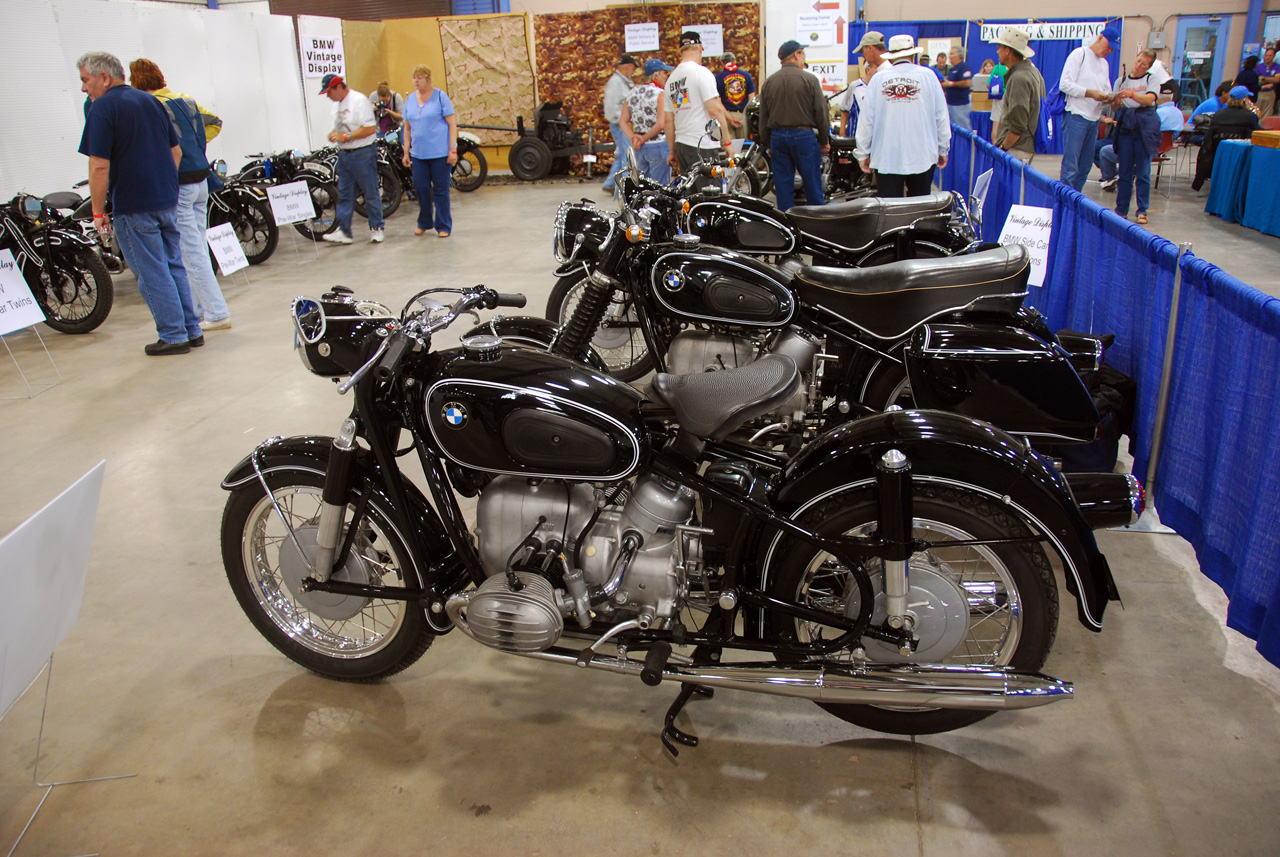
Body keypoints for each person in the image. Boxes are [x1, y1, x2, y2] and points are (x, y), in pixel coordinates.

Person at [77, 52, 202, 356]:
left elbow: (99, 165)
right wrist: (163, 185)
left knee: (151, 271)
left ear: (104, 77)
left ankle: (173, 335)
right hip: (165, 198)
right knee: (173, 264)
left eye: (85, 80)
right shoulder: (151, 101)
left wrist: (96, 210)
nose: (83, 88)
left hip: (134, 203)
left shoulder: (102, 108)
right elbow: (176, 152)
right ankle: (191, 329)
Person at [129, 58, 231, 333]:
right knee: (195, 247)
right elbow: (215, 122)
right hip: (200, 179)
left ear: (135, 81)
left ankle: (216, 312)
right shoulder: (185, 99)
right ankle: (199, 310)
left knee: (189, 252)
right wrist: (195, 145)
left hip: (179, 184)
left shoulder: (150, 105)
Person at [855, 34, 950, 198]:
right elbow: (941, 117)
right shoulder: (929, 77)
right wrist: (943, 149)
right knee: (920, 208)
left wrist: (863, 153)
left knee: (890, 211)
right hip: (922, 155)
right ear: (913, 54)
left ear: (891, 56)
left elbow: (867, 120)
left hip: (887, 156)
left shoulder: (878, 79)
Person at [758, 39, 830, 210]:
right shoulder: (810, 79)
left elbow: (763, 118)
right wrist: (824, 139)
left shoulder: (769, 82)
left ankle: (786, 226)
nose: (804, 57)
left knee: (783, 188)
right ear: (796, 55)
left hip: (778, 138)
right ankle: (817, 224)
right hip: (803, 137)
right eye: (803, 54)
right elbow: (821, 111)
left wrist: (768, 143)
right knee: (813, 184)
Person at [319, 74, 384, 244]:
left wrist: (345, 136)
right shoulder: (336, 106)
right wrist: (334, 135)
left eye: (329, 92)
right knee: (345, 194)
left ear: (338, 87)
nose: (328, 96)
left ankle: (376, 228)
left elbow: (369, 129)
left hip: (363, 153)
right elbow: (339, 128)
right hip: (345, 154)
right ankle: (344, 231)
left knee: (370, 192)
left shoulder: (359, 101)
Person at [663, 31, 734, 181]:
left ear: (680, 51)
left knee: (692, 195)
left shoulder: (671, 80)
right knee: (710, 197)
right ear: (701, 47)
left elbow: (668, 121)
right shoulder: (701, 73)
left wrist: (672, 151)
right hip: (702, 145)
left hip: (682, 145)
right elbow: (715, 110)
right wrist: (727, 142)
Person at [1059, 27, 1121, 192]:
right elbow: (1064, 84)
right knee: (1071, 166)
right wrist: (1090, 93)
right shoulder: (1080, 54)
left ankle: (1075, 198)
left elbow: (1105, 89)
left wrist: (1112, 98)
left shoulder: (1104, 64)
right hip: (1076, 117)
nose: (1109, 50)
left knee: (1085, 166)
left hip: (1093, 120)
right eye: (1108, 45)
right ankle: (1065, 202)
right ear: (1100, 38)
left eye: (1112, 49)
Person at [401, 64, 457, 238]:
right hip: (419, 154)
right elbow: (407, 128)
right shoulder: (410, 100)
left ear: (428, 78)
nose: (416, 81)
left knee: (440, 190)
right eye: (414, 78)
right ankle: (424, 222)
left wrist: (452, 150)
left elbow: (452, 124)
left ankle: (443, 225)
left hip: (440, 153)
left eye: (420, 77)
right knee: (421, 187)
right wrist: (406, 152)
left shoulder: (440, 97)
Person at [1110, 49, 1162, 225]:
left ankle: (1142, 209)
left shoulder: (1151, 80)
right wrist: (1116, 101)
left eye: (1144, 64)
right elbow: (1115, 108)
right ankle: (1121, 208)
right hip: (1126, 125)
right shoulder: (1121, 81)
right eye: (1138, 61)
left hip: (1145, 125)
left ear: (1149, 67)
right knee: (1124, 169)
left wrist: (1132, 94)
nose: (1139, 65)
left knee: (1143, 171)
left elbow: (1150, 100)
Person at [1191, 86, 1261, 193]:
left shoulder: (1218, 115)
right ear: (1244, 100)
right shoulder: (1250, 116)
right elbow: (1256, 134)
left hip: (1218, 155)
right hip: (1240, 157)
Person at [992, 26, 1044, 165]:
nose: (997, 51)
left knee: (1012, 186)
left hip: (1017, 149)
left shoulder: (1019, 78)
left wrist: (1003, 147)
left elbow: (1018, 124)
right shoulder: (1032, 72)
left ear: (1007, 51)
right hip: (1023, 146)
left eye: (999, 47)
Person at [620, 59, 674, 185]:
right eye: (664, 73)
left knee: (642, 185)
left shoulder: (632, 92)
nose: (666, 77)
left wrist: (634, 138)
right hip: (658, 144)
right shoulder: (660, 94)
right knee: (659, 186)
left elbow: (623, 121)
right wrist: (644, 138)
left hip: (639, 147)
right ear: (656, 75)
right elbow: (661, 124)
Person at [602, 54, 638, 193]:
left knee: (622, 153)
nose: (634, 71)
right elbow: (611, 109)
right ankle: (625, 188)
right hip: (620, 125)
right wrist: (623, 120)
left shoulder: (621, 82)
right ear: (628, 66)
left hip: (622, 124)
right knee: (626, 156)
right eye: (633, 68)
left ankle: (610, 183)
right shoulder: (616, 83)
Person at [840, 31, 887, 135]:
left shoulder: (888, 74)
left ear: (870, 48)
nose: (863, 56)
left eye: (863, 51)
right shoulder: (859, 84)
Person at [715, 51, 756, 134]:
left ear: (722, 63)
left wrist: (730, 118)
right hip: (742, 115)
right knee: (744, 145)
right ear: (734, 61)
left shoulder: (718, 78)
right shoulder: (746, 75)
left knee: (729, 145)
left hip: (726, 116)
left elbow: (718, 101)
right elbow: (751, 98)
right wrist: (745, 116)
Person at [942, 45, 973, 130]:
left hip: (960, 106)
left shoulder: (964, 67)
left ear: (959, 56)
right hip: (951, 104)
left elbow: (967, 82)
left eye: (952, 54)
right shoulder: (952, 70)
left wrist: (950, 84)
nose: (949, 56)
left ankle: (967, 143)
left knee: (963, 129)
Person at [1257, 47, 1280, 120]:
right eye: (1266, 55)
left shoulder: (1277, 67)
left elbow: (1277, 79)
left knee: (1267, 114)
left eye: (1270, 55)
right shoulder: (1258, 67)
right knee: (1256, 112)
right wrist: (1270, 79)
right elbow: (1258, 80)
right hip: (1259, 93)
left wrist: (1264, 78)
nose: (1267, 57)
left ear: (1274, 56)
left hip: (1270, 93)